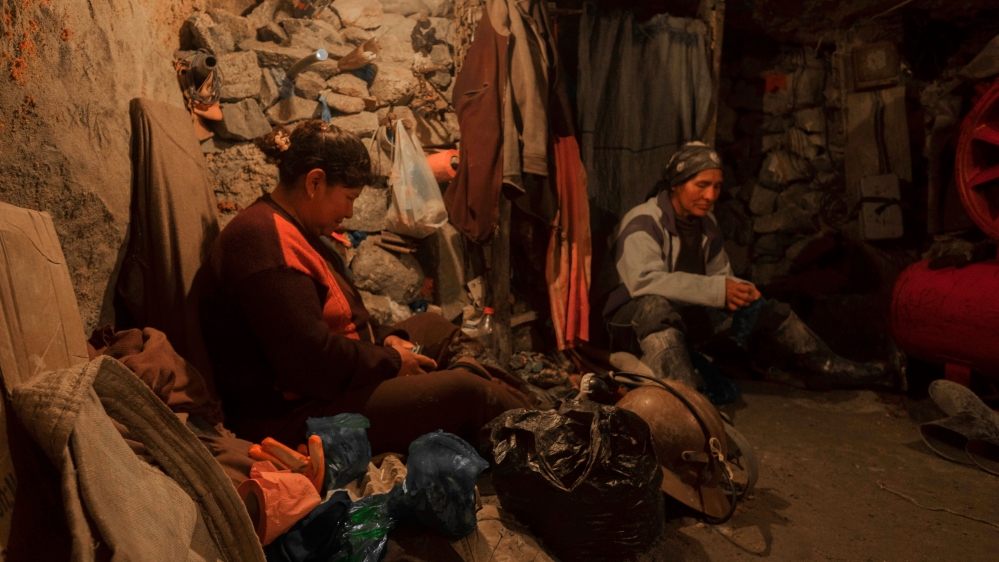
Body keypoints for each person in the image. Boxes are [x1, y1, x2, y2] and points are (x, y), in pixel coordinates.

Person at [199, 121, 532, 453]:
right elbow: (310, 365)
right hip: (301, 419)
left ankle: (516, 404)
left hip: (334, 379)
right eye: (348, 198)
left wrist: (386, 338)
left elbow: (338, 325)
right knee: (465, 390)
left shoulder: (292, 226)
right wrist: (390, 361)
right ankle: (534, 430)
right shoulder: (263, 245)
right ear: (315, 182)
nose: (350, 211)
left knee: (432, 328)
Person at [601, 141, 897, 390]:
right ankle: (685, 398)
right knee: (655, 305)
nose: (710, 196)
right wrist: (718, 290)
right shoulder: (643, 221)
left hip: (680, 315)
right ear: (676, 185)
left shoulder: (707, 224)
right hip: (629, 320)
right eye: (701, 185)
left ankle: (831, 368)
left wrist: (739, 294)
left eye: (716, 187)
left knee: (762, 307)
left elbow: (720, 277)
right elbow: (643, 282)